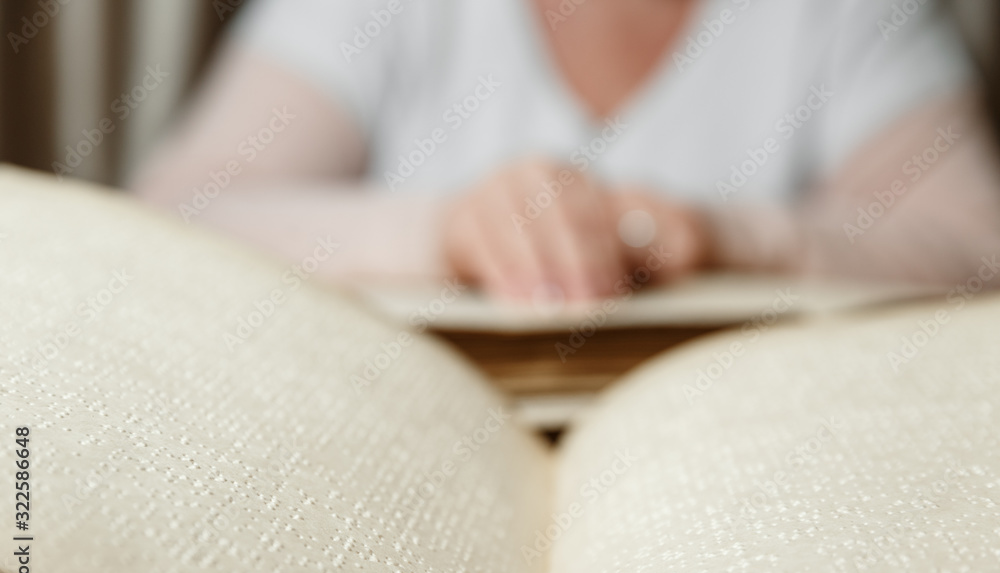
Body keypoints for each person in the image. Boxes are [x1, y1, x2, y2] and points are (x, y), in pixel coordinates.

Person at [131, 0, 1000, 303]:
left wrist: (734, 238)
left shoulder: (848, 15)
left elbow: (981, 253)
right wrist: (445, 233)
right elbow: (173, 215)